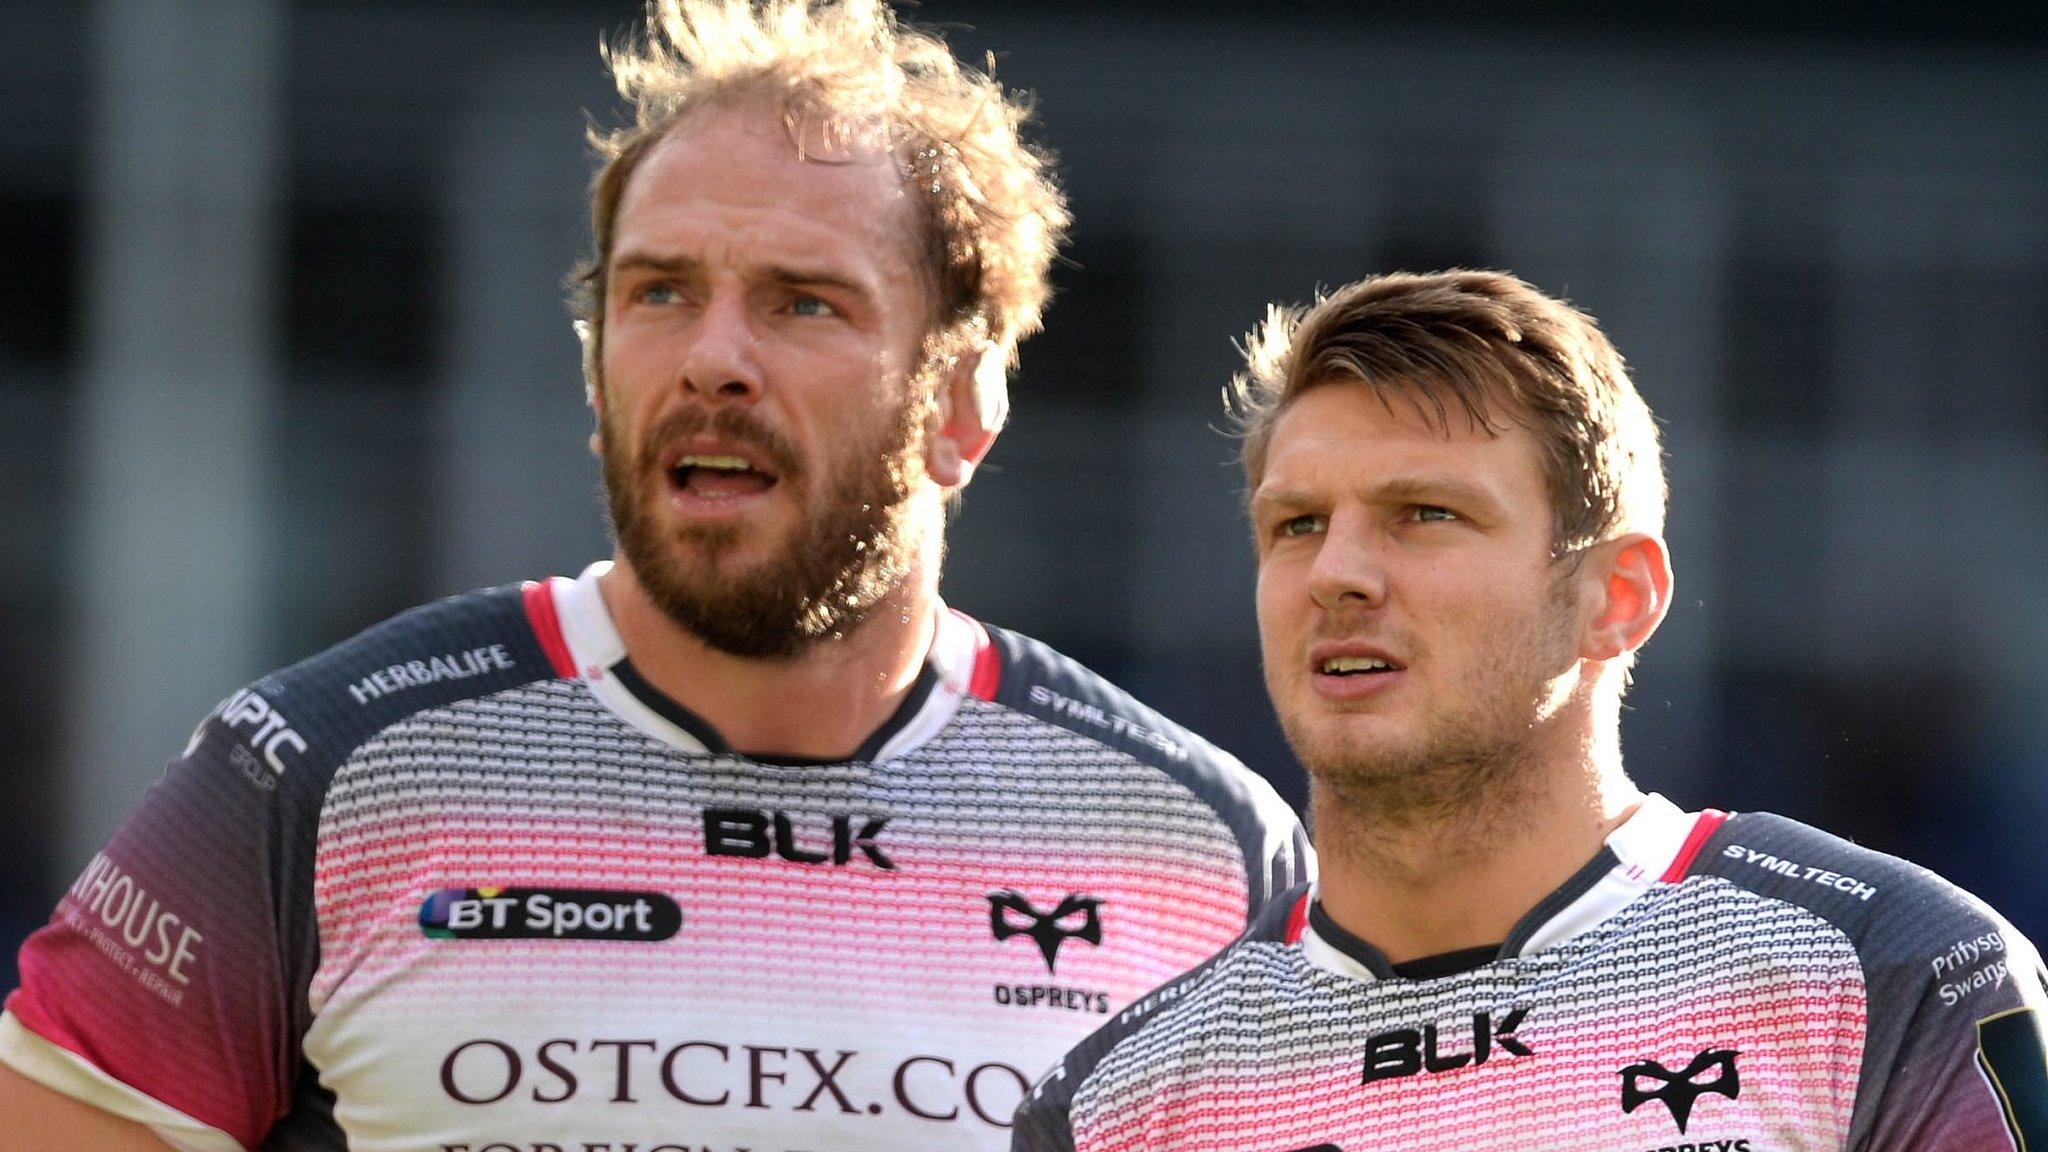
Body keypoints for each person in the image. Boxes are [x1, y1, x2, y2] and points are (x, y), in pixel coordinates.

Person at [0, 3, 1311, 1149]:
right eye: (660, 294)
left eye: (804, 302)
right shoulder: (309, 777)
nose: (712, 360)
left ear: (961, 404)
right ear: (595, 370)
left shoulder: (1200, 850)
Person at [1012, 269, 2048, 1152]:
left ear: (1616, 598)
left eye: (1425, 514)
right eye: (1294, 525)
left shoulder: (1893, 978)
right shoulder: (1116, 1105)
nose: (1334, 573)